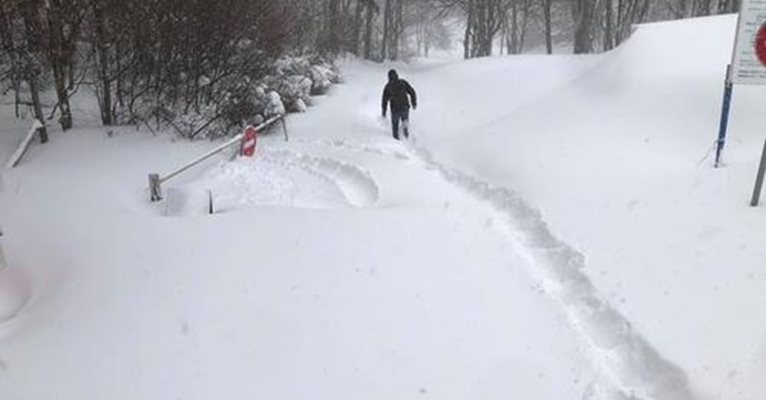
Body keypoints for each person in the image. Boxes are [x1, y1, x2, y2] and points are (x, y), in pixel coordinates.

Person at [381, 69, 417, 140]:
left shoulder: (388, 87)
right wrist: (414, 103)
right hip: (405, 108)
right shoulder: (402, 82)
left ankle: (396, 142)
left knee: (395, 127)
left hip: (395, 110)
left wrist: (384, 112)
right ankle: (407, 139)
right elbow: (412, 92)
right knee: (405, 125)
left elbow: (384, 100)